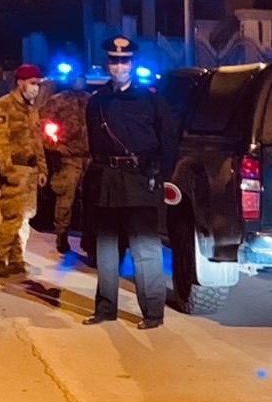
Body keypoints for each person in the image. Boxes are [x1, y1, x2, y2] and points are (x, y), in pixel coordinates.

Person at [81, 37, 178, 329]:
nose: (119, 66)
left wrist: (159, 175)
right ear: (107, 64)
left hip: (140, 181)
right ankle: (105, 309)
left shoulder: (152, 100)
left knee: (145, 249)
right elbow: (94, 144)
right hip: (107, 182)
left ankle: (153, 313)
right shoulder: (97, 102)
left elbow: (169, 143)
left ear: (132, 63)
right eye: (114, 61)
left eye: (124, 61)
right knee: (106, 250)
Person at [0, 64, 48, 278]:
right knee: (13, 216)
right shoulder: (4, 106)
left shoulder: (31, 109)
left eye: (38, 84)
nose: (36, 88)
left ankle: (16, 258)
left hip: (30, 170)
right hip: (15, 169)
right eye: (32, 83)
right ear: (20, 83)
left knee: (24, 217)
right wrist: (6, 170)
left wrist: (42, 168)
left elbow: (37, 141)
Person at [40, 70, 92, 254]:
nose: (79, 81)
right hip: (69, 158)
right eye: (76, 78)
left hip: (90, 157)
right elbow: (44, 125)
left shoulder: (91, 100)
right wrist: (55, 145)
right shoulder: (58, 100)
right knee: (66, 198)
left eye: (81, 78)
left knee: (90, 200)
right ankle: (62, 234)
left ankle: (88, 237)